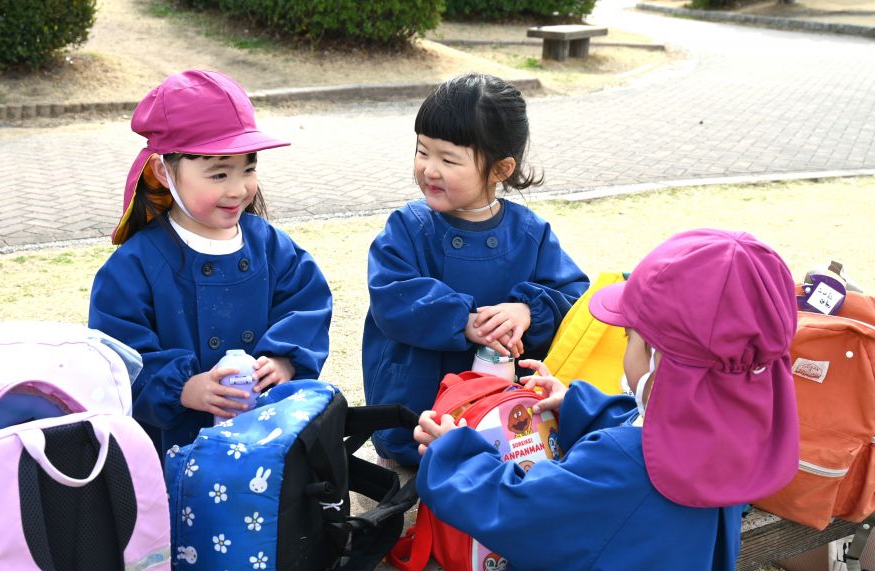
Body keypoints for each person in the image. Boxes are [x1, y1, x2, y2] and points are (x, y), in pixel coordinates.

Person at [414, 228, 800, 571]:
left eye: (629, 337)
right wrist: (582, 406)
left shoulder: (619, 469)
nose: (626, 349)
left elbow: (522, 513)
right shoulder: (738, 438)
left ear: (659, 359)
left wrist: (454, 455)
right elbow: (657, 430)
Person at [89, 70, 332, 455]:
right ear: (163, 172)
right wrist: (181, 388)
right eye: (219, 173)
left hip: (264, 440)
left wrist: (285, 359)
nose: (238, 189)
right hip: (173, 447)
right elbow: (117, 357)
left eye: (248, 168)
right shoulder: (133, 266)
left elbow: (307, 302)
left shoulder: (268, 244)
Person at [362, 73, 590, 468]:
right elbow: (391, 295)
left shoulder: (529, 232)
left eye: (448, 159)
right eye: (423, 151)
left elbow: (574, 295)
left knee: (499, 448)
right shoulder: (409, 227)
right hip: (416, 403)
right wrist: (462, 320)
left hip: (506, 423)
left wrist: (527, 311)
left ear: (500, 170)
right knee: (417, 446)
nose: (429, 169)